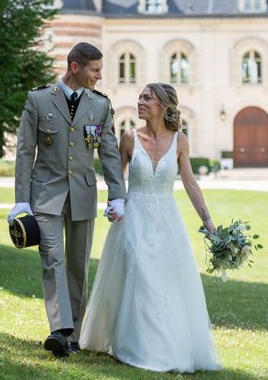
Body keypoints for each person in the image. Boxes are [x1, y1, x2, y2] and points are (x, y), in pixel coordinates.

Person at [79, 83, 221, 373]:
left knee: (165, 281)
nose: (140, 101)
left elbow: (190, 181)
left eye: (147, 98)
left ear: (164, 106)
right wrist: (114, 204)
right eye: (140, 97)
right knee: (139, 273)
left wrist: (207, 221)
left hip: (167, 221)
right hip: (134, 218)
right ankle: (133, 346)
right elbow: (116, 178)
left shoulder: (180, 141)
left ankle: (165, 347)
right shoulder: (129, 139)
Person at [8, 42, 126, 358]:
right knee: (53, 260)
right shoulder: (38, 99)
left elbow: (109, 152)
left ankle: (73, 335)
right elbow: (24, 152)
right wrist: (22, 201)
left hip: (83, 194)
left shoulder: (100, 105)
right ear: (75, 67)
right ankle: (60, 331)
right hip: (45, 194)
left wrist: (118, 195)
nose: (100, 76)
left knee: (77, 266)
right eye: (95, 70)